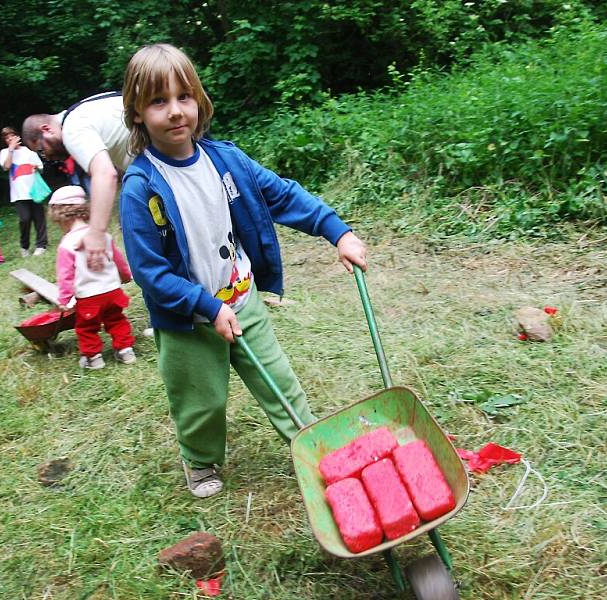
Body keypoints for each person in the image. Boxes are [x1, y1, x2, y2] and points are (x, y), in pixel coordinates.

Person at [118, 43, 368, 498]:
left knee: (279, 380)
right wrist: (204, 306)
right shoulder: (141, 188)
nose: (175, 112)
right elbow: (149, 271)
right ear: (136, 112)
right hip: (188, 320)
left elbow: (284, 195)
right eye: (158, 101)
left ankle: (309, 445)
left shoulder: (227, 161)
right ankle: (200, 460)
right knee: (202, 400)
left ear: (199, 100)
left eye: (184, 97)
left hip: (241, 297)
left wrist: (338, 232)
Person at [21, 93, 131, 271]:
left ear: (46, 129)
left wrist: (96, 234)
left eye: (42, 150)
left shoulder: (72, 129)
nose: (47, 156)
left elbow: (105, 174)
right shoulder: (81, 112)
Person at [48, 185, 136, 370]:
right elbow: (118, 260)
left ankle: (93, 358)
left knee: (87, 328)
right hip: (112, 292)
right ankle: (125, 350)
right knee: (117, 320)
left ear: (60, 217)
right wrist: (126, 276)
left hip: (89, 297)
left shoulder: (67, 244)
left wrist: (64, 299)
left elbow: (66, 276)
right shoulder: (102, 236)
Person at [0, 126, 48, 257]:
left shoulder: (28, 151)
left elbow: (40, 167)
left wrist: (36, 167)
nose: (9, 139)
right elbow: (6, 166)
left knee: (39, 218)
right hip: (19, 194)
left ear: (17, 136)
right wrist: (11, 150)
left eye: (11, 136)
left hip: (34, 190)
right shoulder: (5, 152)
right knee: (24, 219)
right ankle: (24, 246)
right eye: (6, 137)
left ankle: (41, 245)